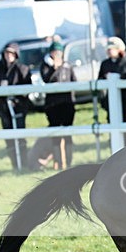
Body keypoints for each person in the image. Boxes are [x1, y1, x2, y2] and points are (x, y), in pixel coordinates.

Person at [0, 43, 32, 171]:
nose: (8, 56)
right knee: (9, 138)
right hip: (4, 108)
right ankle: (15, 164)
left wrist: (15, 95)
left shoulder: (22, 69)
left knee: (20, 137)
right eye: (6, 53)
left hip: (18, 108)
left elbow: (27, 88)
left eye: (11, 53)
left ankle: (24, 164)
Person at [38, 40, 77, 169]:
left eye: (59, 52)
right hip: (53, 105)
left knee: (67, 133)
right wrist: (55, 68)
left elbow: (74, 82)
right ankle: (58, 162)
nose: (57, 54)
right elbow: (46, 80)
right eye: (54, 52)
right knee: (55, 133)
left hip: (67, 103)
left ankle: (68, 162)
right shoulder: (45, 66)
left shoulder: (68, 66)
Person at [98, 37, 126, 145]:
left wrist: (121, 78)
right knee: (113, 129)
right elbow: (99, 80)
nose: (109, 51)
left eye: (112, 48)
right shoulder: (105, 64)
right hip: (111, 103)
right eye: (108, 49)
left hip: (125, 102)